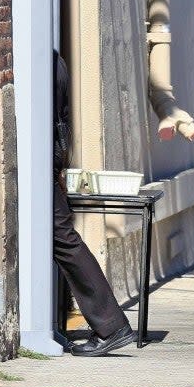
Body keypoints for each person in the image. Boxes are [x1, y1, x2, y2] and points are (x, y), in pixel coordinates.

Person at [53, 51, 135, 356]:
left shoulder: (44, 60)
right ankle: (109, 326)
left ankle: (111, 327)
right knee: (62, 238)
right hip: (53, 155)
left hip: (47, 157)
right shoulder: (53, 59)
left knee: (63, 238)